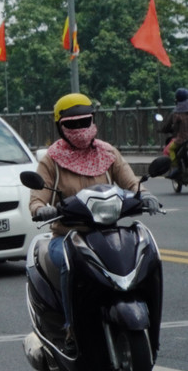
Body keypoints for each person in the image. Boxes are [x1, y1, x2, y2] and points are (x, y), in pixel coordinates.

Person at [31, 93, 155, 340]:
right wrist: (40, 209)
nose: (80, 129)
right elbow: (37, 199)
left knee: (146, 253)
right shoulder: (51, 161)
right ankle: (71, 327)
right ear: (60, 127)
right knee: (68, 263)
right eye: (72, 124)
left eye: (84, 122)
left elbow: (132, 184)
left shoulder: (108, 153)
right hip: (68, 236)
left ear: (93, 121)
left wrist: (146, 195)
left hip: (108, 234)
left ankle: (147, 316)